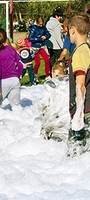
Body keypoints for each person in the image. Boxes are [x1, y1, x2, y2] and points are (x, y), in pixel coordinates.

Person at [66, 12, 90, 156]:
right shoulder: (87, 49)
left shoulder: (80, 53)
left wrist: (78, 115)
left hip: (84, 111)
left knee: (77, 154)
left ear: (73, 29)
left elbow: (80, 85)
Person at [0, 28, 23, 109]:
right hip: (15, 80)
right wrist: (18, 77)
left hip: (3, 82)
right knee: (17, 107)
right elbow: (20, 65)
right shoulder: (12, 48)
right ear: (6, 38)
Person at [39, 61, 69, 142]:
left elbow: (42, 103)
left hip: (53, 123)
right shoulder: (72, 83)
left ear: (54, 73)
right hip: (69, 122)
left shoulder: (50, 85)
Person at [28, 16, 51, 81]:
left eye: (42, 24)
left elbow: (49, 34)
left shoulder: (44, 27)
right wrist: (39, 38)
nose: (41, 25)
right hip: (35, 47)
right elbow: (30, 38)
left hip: (42, 46)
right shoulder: (33, 28)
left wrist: (46, 36)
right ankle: (34, 75)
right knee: (38, 62)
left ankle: (47, 75)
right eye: (39, 24)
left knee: (47, 59)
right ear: (37, 23)